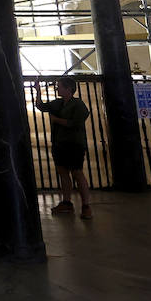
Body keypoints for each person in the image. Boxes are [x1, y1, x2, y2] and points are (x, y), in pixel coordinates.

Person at [33, 77, 93, 219]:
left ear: (68, 89)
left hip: (73, 144)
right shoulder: (58, 103)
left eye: (59, 86)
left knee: (77, 173)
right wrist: (38, 91)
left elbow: (76, 123)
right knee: (63, 172)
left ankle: (86, 206)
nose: (57, 88)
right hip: (60, 144)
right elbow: (41, 106)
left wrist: (57, 120)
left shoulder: (78, 104)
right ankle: (67, 202)